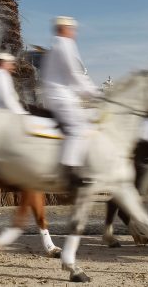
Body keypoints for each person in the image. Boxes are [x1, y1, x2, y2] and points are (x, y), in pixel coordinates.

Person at [40, 16, 101, 189]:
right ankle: (69, 171)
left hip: (60, 95)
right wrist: (95, 94)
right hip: (61, 97)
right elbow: (75, 74)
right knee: (79, 127)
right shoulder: (65, 44)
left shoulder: (56, 45)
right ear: (64, 29)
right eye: (72, 29)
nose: (74, 32)